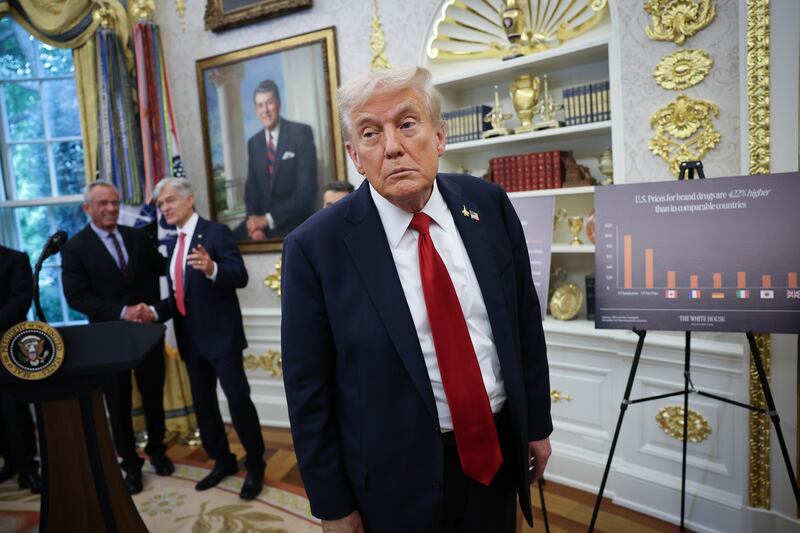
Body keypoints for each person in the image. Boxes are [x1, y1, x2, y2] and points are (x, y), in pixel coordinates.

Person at [281, 66, 553, 532]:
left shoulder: (488, 204)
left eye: (407, 124)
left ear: (439, 136)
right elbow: (309, 390)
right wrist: (331, 502)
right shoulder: (314, 248)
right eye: (370, 133)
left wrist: (536, 425)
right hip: (393, 480)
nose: (392, 146)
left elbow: (523, 322)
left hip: (496, 448)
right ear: (355, 155)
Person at [153, 177, 266, 500]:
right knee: (203, 405)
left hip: (222, 337)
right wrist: (151, 310)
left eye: (171, 200)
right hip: (189, 338)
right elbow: (178, 295)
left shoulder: (216, 233)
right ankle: (223, 461)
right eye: (162, 204)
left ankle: (255, 464)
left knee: (238, 401)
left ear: (190, 200)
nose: (166, 208)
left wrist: (212, 268)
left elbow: (239, 276)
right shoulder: (172, 243)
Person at [61, 181, 174, 494]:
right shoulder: (75, 248)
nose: (111, 208)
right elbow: (76, 297)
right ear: (88, 209)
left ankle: (158, 451)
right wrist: (123, 311)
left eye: (114, 202)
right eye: (102, 204)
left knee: (154, 395)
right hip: (108, 340)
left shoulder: (137, 236)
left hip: (147, 334)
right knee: (119, 403)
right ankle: (130, 465)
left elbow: (165, 270)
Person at [244, 80, 318, 240]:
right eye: (259, 105)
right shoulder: (253, 143)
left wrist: (267, 220)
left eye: (269, 103)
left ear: (278, 103)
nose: (265, 111)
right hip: (262, 230)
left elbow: (306, 192)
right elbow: (251, 189)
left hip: (296, 226)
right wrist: (253, 225)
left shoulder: (301, 133)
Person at [0, 245, 41, 494]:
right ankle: (9, 463)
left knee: (14, 411)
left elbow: (20, 302)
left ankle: (29, 469)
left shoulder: (15, 259)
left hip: (8, 346)